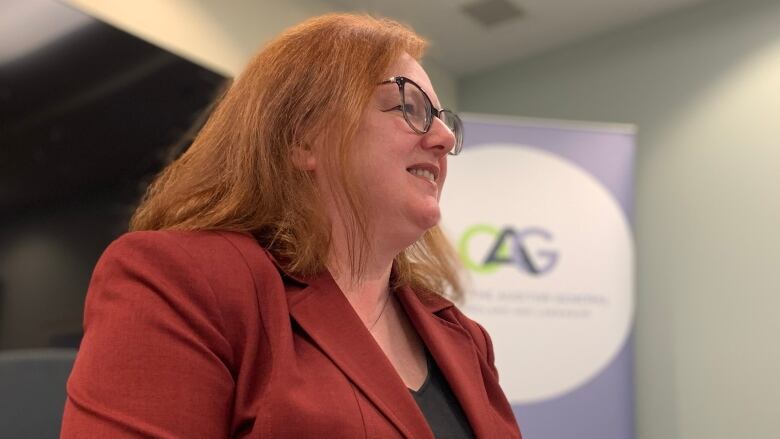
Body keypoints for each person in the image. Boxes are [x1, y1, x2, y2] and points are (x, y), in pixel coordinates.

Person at [61, 13, 522, 439]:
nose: (442, 139)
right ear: (303, 136)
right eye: (410, 106)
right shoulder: (183, 279)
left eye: (444, 121)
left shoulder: (464, 338)